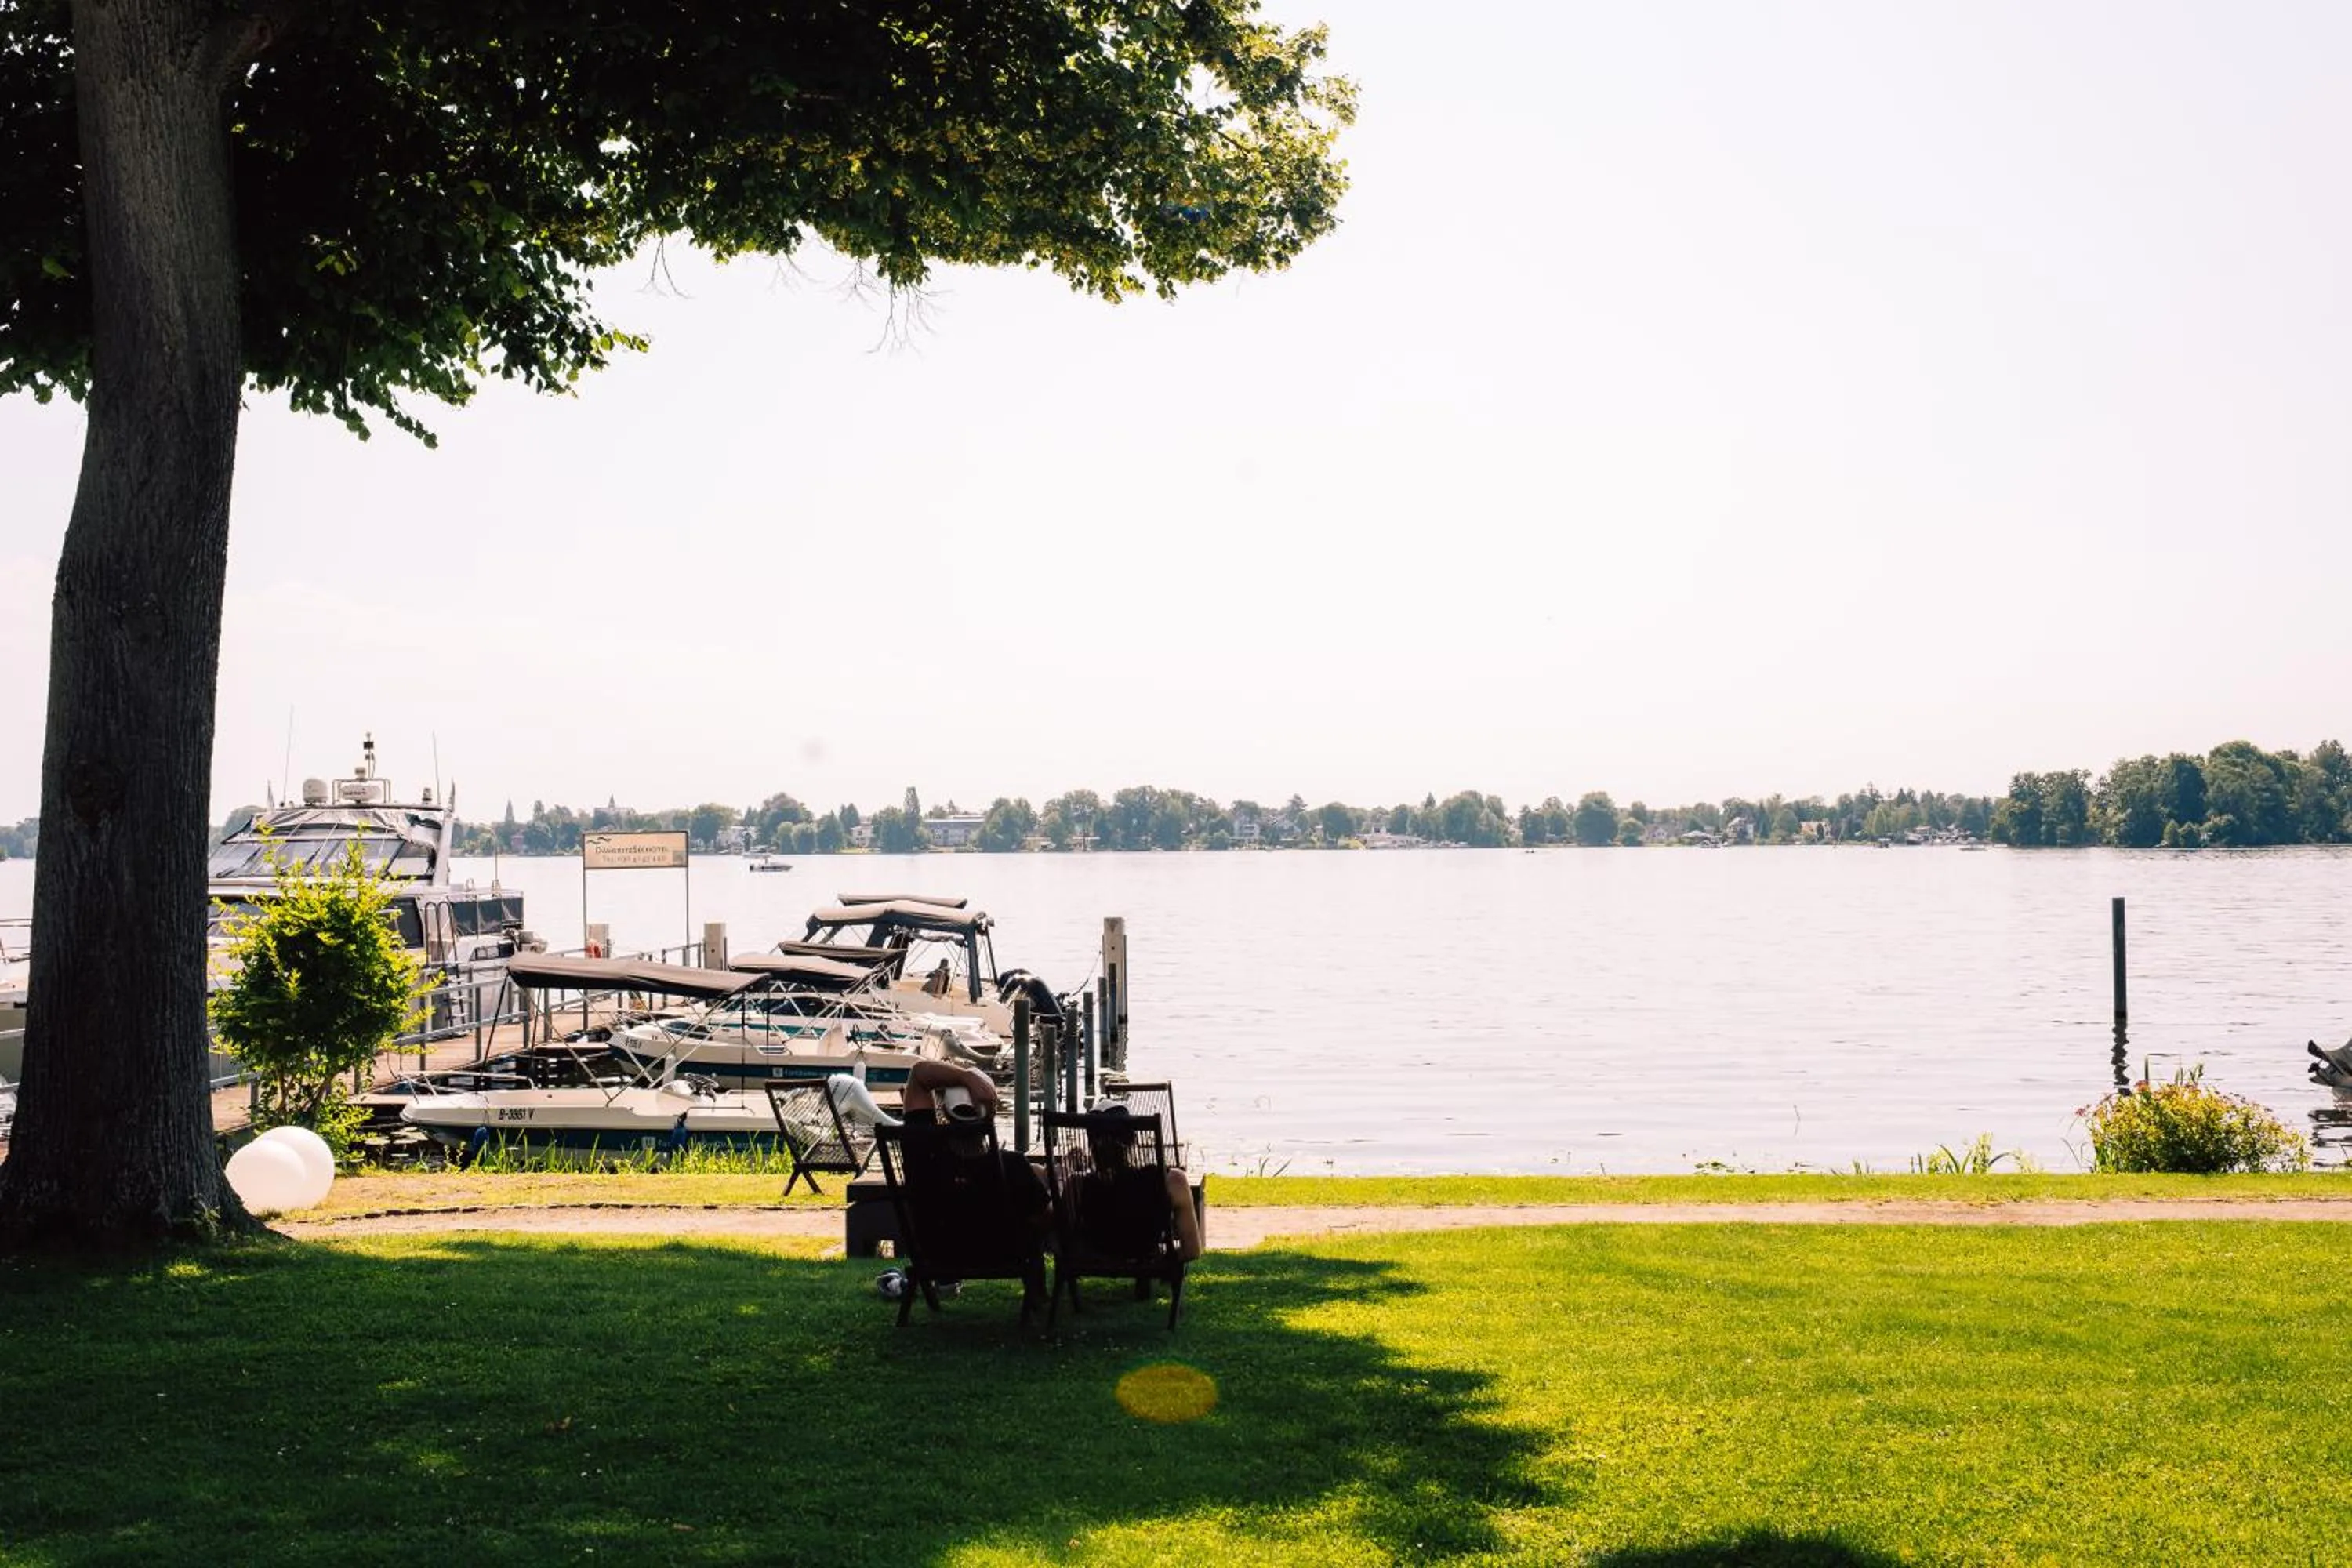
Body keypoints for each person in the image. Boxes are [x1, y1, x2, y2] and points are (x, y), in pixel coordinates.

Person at [1068, 1103, 1203, 1263]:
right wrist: (1161, 1259)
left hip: (1100, 1253)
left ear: (1091, 1145)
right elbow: (1192, 1250)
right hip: (1147, 1253)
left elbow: (1065, 1242)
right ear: (1133, 1140)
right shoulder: (1171, 1181)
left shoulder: (1077, 1185)